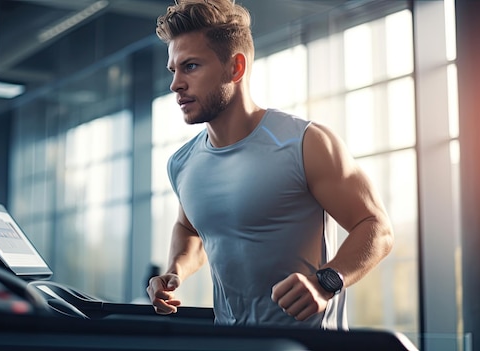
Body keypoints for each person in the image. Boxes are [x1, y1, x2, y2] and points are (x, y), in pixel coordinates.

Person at [146, 0, 394, 330]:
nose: (175, 84)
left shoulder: (305, 143)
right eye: (173, 70)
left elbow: (376, 228)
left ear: (235, 68)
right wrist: (175, 271)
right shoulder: (183, 163)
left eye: (190, 66)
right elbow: (190, 228)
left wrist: (326, 282)